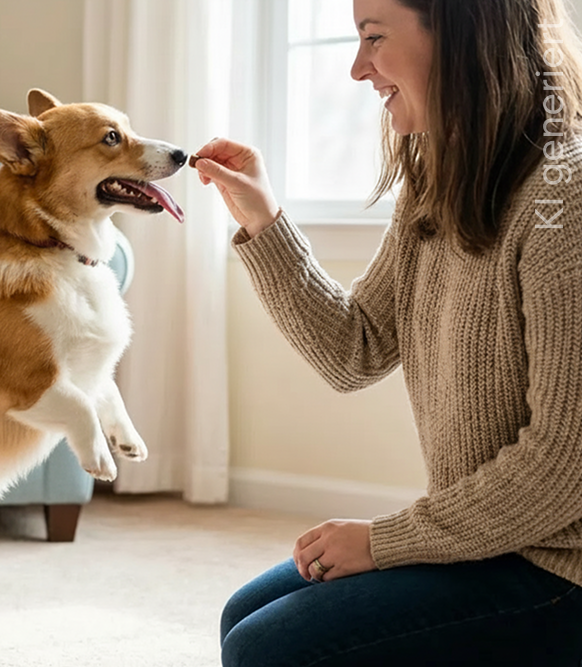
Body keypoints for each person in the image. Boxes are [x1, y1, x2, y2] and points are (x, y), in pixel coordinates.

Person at [194, 0, 582, 665]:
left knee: (268, 649)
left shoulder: (565, 200)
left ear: (462, 36)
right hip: (491, 541)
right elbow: (356, 347)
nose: (355, 68)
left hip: (559, 569)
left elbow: (562, 468)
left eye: (374, 38)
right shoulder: (438, 180)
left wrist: (385, 540)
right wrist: (262, 216)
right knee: (243, 617)